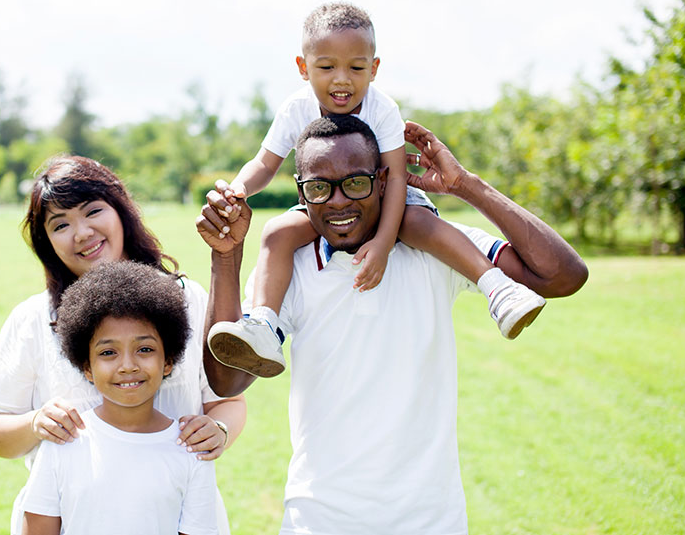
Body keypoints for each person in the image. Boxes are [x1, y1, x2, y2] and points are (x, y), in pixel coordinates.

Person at [196, 116, 588, 535]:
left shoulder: (437, 244)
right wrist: (226, 256)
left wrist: (464, 185)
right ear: (300, 191)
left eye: (357, 183)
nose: (338, 201)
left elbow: (561, 276)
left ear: (385, 181)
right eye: (318, 187)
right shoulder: (289, 266)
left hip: (430, 521)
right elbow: (225, 381)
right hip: (317, 519)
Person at [207, 2, 547, 379]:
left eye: (356, 67)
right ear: (303, 69)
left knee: (417, 222)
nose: (341, 80)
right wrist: (237, 189)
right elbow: (265, 165)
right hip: (328, 201)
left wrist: (383, 244)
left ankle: (499, 290)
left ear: (374, 68)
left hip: (390, 197)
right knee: (277, 233)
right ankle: (265, 326)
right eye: (326, 67)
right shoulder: (295, 109)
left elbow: (397, 179)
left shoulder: (382, 108)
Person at [0, 155, 245, 535]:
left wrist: (217, 430)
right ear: (47, 242)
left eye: (93, 211)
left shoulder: (188, 300)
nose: (82, 232)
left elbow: (228, 401)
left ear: (121, 212)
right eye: (60, 225)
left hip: (175, 515)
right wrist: (35, 423)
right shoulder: (33, 319)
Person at [22, 261, 218, 535]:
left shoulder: (190, 450)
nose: (127, 365)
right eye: (108, 353)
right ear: (87, 368)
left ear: (168, 361)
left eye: (145, 349)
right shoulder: (63, 443)